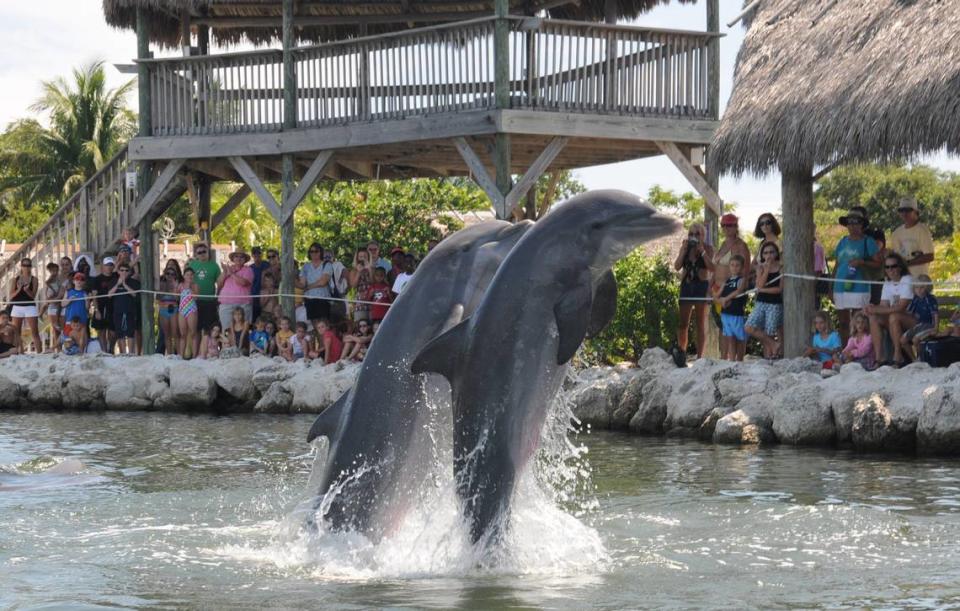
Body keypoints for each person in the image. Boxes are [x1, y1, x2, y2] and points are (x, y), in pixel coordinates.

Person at [832, 208, 881, 344]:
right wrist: (831, 287)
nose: (852, 226)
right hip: (840, 286)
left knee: (859, 322)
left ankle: (860, 351)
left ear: (862, 224)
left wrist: (862, 262)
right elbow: (837, 265)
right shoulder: (842, 241)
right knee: (842, 322)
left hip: (860, 286)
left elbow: (878, 264)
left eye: (856, 222)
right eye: (849, 222)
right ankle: (845, 350)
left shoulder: (868, 242)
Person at [865, 252, 914, 367]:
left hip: (912, 320)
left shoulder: (907, 280)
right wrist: (872, 308)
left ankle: (898, 356)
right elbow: (883, 306)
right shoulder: (887, 283)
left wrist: (876, 309)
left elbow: (901, 307)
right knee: (874, 317)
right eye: (887, 267)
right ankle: (879, 358)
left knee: (894, 316)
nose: (890, 270)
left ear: (900, 267)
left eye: (893, 266)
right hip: (895, 321)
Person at [674, 222, 714, 359]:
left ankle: (700, 357)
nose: (694, 236)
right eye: (691, 233)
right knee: (682, 323)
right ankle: (681, 353)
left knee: (700, 323)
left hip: (701, 287)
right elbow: (677, 266)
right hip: (686, 286)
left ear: (703, 235)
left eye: (697, 234)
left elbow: (712, 268)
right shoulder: (685, 247)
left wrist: (702, 251)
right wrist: (683, 251)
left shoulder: (708, 249)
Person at [745, 242, 784, 359]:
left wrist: (762, 290)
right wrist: (766, 269)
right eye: (766, 253)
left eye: (771, 252)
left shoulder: (782, 267)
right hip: (760, 303)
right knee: (749, 327)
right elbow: (759, 284)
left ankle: (770, 359)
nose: (769, 255)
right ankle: (774, 345)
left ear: (776, 253)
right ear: (762, 255)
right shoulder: (760, 267)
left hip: (774, 304)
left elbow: (779, 289)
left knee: (770, 332)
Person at [888, 196, 935, 277]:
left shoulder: (923, 230)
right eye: (901, 210)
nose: (904, 213)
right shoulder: (896, 233)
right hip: (902, 280)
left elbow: (930, 256)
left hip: (919, 280)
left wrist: (908, 263)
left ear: (916, 212)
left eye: (908, 210)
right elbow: (895, 255)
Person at [714, 254, 747, 361]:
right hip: (725, 314)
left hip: (736, 314)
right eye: (732, 265)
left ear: (741, 267)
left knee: (740, 338)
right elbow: (717, 296)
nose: (734, 267)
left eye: (737, 265)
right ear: (729, 266)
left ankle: (740, 360)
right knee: (730, 338)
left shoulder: (741, 280)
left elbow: (738, 291)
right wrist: (721, 301)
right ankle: (732, 360)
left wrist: (726, 299)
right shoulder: (726, 282)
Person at [901, 274, 938, 363]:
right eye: (917, 287)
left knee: (915, 340)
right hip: (919, 325)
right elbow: (909, 312)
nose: (919, 290)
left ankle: (922, 359)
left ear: (927, 287)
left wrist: (936, 328)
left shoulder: (930, 299)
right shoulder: (915, 299)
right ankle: (914, 360)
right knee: (902, 340)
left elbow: (935, 314)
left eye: (922, 287)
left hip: (929, 326)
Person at [8, 257, 42, 353]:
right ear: (21, 266)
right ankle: (20, 353)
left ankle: (40, 353)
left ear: (31, 267)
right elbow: (11, 296)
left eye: (28, 265)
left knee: (35, 332)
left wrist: (27, 290)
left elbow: (33, 296)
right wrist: (19, 289)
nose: (26, 267)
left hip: (29, 306)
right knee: (17, 332)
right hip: (17, 306)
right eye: (24, 265)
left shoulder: (34, 279)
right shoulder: (15, 279)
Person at [187, 243, 220, 335]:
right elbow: (187, 280)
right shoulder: (192, 265)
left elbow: (220, 283)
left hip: (209, 301)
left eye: (204, 251)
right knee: (195, 330)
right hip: (194, 302)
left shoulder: (214, 266)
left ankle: (206, 349)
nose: (202, 254)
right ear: (196, 254)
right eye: (199, 252)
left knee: (208, 330)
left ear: (208, 252)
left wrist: (217, 297)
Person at [107, 263, 141, 355]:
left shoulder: (133, 282)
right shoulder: (113, 281)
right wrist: (118, 284)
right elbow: (109, 295)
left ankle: (131, 353)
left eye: (126, 270)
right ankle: (123, 353)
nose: (124, 272)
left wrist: (125, 285)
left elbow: (134, 294)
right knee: (120, 333)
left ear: (129, 272)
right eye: (122, 270)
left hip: (130, 311)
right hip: (118, 311)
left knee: (130, 333)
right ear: (118, 271)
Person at [297, 242, 333, 324]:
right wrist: (291, 279)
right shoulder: (306, 266)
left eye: (316, 251)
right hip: (309, 300)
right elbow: (302, 284)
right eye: (311, 251)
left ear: (321, 252)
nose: (314, 253)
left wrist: (309, 287)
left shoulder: (327, 265)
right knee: (315, 324)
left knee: (324, 324)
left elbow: (323, 282)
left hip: (323, 299)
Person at [217, 251, 254, 330]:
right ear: (233, 259)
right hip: (226, 304)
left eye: (241, 257)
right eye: (236, 256)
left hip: (243, 305)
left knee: (244, 330)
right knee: (226, 329)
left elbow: (243, 282)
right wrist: (224, 272)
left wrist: (231, 273)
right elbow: (219, 283)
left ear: (245, 260)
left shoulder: (248, 270)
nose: (238, 258)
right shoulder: (228, 269)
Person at [88, 257, 118, 353]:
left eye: (110, 265)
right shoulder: (96, 279)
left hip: (114, 307)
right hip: (101, 306)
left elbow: (127, 268)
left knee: (113, 332)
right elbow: (94, 295)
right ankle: (104, 351)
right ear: (103, 266)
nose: (109, 267)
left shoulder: (116, 277)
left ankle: (111, 349)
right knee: (101, 331)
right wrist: (97, 310)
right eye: (107, 265)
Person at [158, 261, 182, 356]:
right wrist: (164, 288)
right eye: (168, 273)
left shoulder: (177, 283)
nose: (170, 275)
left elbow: (178, 299)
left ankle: (179, 354)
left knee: (176, 333)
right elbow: (158, 298)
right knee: (166, 334)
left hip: (174, 308)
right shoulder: (161, 282)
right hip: (163, 309)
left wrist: (174, 289)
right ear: (165, 274)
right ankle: (169, 354)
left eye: (172, 274)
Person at [177, 267, 200, 359]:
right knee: (182, 334)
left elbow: (196, 298)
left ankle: (194, 356)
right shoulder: (181, 285)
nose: (189, 276)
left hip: (191, 309)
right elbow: (176, 296)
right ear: (184, 276)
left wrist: (190, 287)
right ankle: (181, 356)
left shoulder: (195, 285)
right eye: (187, 274)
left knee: (193, 333)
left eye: (191, 274)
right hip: (182, 309)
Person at [41, 262, 62, 352]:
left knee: (60, 328)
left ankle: (59, 348)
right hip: (53, 305)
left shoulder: (60, 279)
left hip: (59, 304)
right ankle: (57, 349)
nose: (54, 272)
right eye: (52, 270)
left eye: (55, 270)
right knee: (55, 328)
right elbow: (47, 294)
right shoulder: (50, 280)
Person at [348, 247, 372, 322]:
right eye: (360, 257)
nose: (362, 259)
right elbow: (353, 285)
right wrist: (358, 272)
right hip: (360, 303)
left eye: (365, 256)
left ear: (368, 257)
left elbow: (373, 282)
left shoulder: (372, 269)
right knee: (360, 324)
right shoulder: (353, 271)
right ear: (357, 258)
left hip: (372, 301)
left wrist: (369, 270)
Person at [248, 246, 271, 322]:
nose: (257, 256)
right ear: (252, 256)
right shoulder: (250, 268)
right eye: (255, 254)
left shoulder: (267, 265)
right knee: (255, 318)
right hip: (254, 295)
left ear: (262, 254)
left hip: (266, 295)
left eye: (259, 254)